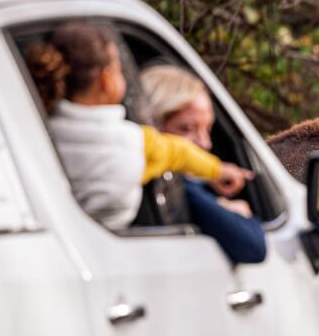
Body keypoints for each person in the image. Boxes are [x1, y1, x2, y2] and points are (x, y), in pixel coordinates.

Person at [26, 21, 252, 231]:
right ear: (106, 80)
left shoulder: (35, 131)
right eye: (119, 69)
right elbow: (178, 153)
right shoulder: (132, 143)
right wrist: (218, 170)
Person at [140, 64, 266, 263]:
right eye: (188, 128)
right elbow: (254, 246)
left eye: (208, 129)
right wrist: (234, 215)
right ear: (153, 125)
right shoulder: (173, 186)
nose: (205, 143)